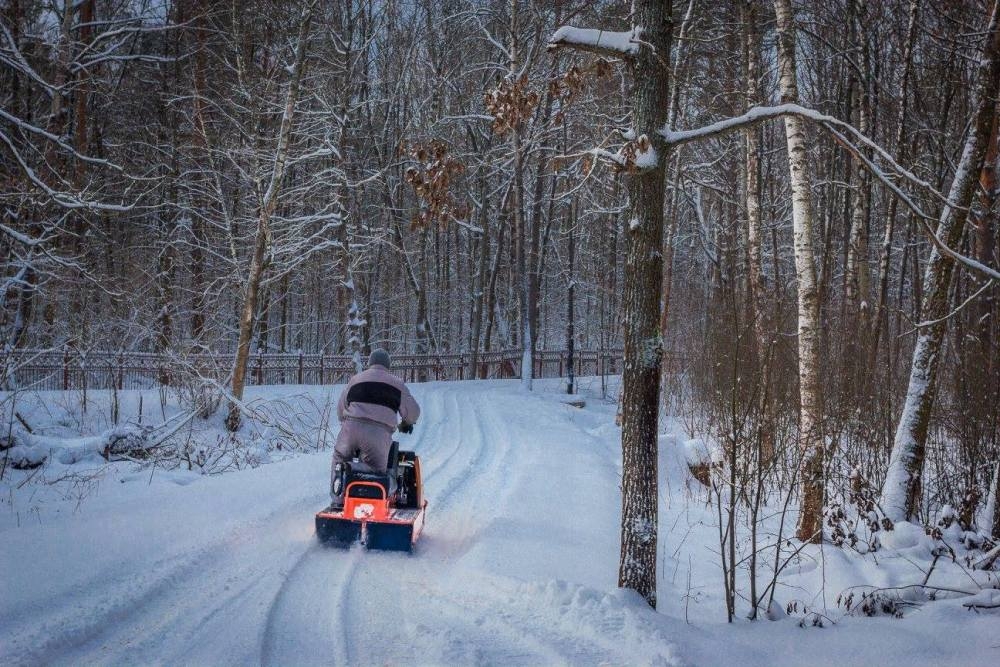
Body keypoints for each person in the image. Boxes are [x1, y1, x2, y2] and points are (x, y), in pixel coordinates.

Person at [330, 348, 420, 507]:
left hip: (350, 427)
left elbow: (340, 409)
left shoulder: (355, 380)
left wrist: (348, 424)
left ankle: (338, 499)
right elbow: (413, 412)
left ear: (370, 363)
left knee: (340, 457)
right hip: (377, 433)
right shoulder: (396, 384)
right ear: (388, 365)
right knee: (376, 470)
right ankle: (372, 501)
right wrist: (406, 423)